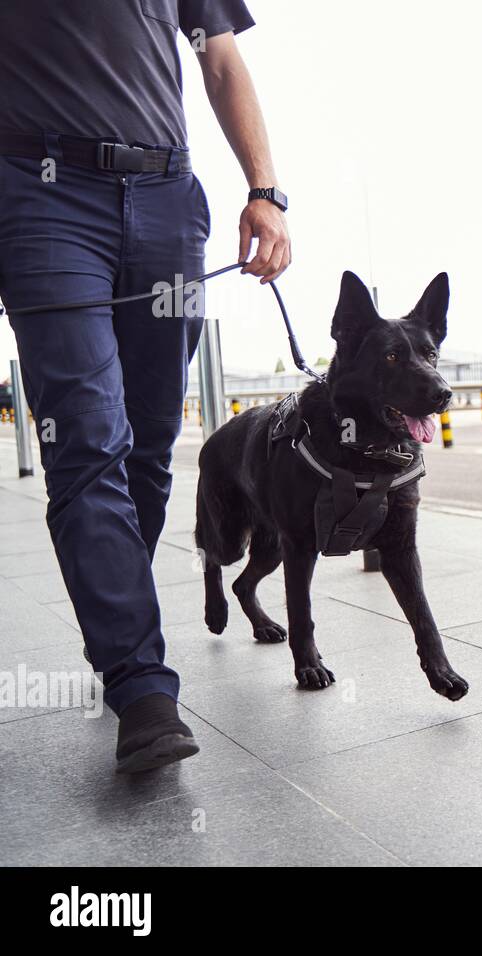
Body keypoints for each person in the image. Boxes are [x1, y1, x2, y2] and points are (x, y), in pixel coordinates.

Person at [0, 1, 290, 773]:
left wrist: (266, 188)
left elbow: (221, 61)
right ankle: (140, 683)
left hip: (167, 201)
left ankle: (119, 629)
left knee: (149, 445)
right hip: (40, 196)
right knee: (88, 441)